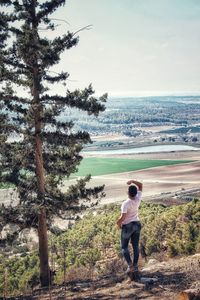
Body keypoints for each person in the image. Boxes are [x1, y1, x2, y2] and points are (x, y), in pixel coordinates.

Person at [116, 179, 143, 274]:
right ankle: (135, 266)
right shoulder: (138, 198)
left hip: (128, 226)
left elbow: (123, 217)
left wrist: (118, 223)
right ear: (136, 193)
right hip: (137, 224)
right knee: (135, 246)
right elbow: (140, 185)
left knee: (124, 247)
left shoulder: (125, 203)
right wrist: (132, 181)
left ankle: (130, 265)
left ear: (128, 193)